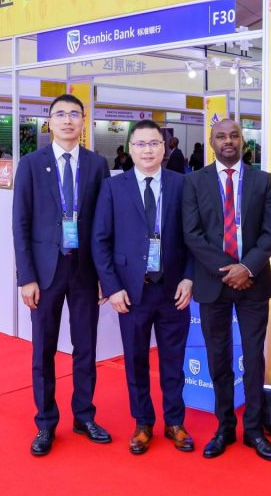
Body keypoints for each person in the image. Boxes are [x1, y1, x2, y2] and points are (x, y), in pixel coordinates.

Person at [12, 93, 112, 457]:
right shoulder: (31, 164)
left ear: (84, 121)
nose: (67, 120)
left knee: (86, 347)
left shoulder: (97, 164)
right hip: (45, 272)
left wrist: (105, 276)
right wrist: (26, 277)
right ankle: (45, 422)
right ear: (49, 122)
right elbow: (20, 223)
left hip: (85, 270)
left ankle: (84, 416)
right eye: (60, 114)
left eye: (74, 114)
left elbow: (105, 224)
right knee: (44, 350)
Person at [93, 120, 194, 455]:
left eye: (154, 143)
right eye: (140, 144)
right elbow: (100, 240)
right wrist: (112, 287)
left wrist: (190, 277)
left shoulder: (182, 184)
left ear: (164, 148)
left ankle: (175, 421)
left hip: (173, 289)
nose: (147, 150)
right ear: (130, 149)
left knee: (173, 361)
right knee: (135, 360)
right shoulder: (113, 187)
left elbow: (195, 238)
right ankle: (142, 423)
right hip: (131, 292)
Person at [182, 118, 271, 462]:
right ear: (211, 142)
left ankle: (253, 430)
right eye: (221, 136)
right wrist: (229, 270)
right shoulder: (194, 181)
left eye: (234, 135)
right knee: (218, 357)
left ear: (243, 141)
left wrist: (246, 268)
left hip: (254, 281)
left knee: (253, 357)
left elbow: (270, 231)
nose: (228, 141)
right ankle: (224, 426)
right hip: (214, 283)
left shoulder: (262, 180)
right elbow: (192, 234)